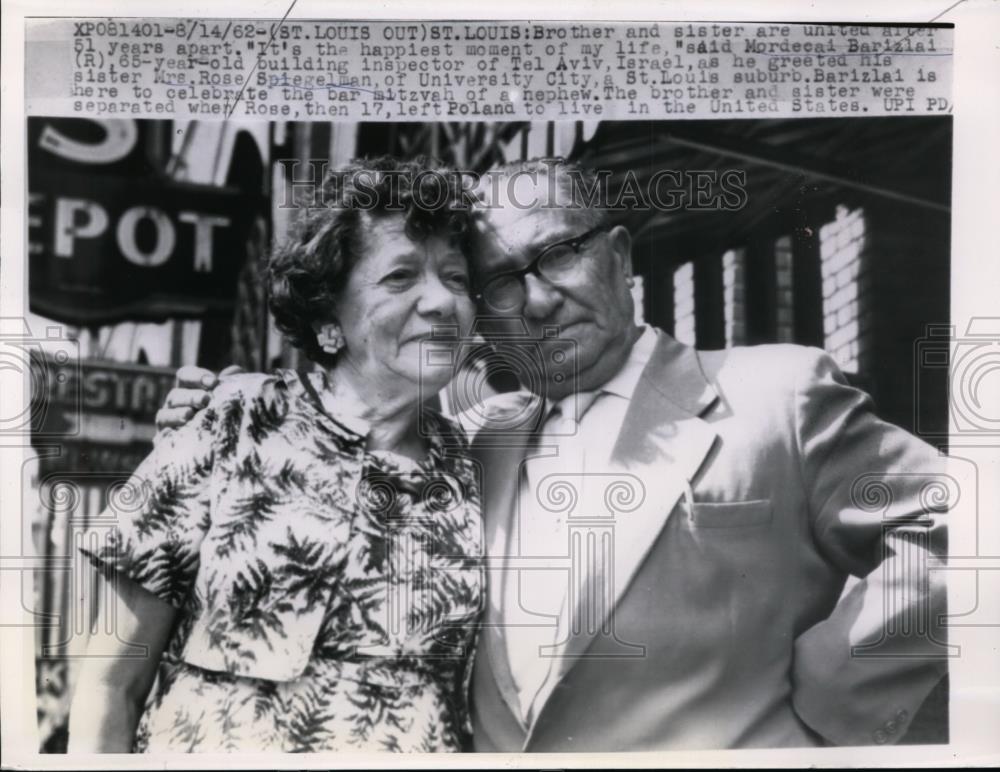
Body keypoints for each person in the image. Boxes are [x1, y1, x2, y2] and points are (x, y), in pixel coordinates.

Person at [158, 158, 949, 751]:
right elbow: (346, 422)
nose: (534, 299)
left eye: (558, 254)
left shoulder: (774, 394)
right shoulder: (471, 441)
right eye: (498, 282)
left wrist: (835, 708)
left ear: (619, 255)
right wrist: (234, 401)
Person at [68, 156, 483, 753]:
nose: (442, 301)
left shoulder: (475, 466)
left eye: (457, 277)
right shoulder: (231, 420)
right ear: (327, 315)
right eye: (400, 277)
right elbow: (110, 686)